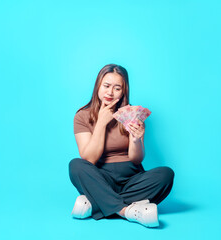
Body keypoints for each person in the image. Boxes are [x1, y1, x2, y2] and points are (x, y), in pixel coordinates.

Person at [68, 64, 174, 227]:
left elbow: (136, 159)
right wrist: (101, 123)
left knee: (166, 175)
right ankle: (127, 211)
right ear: (98, 86)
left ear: (124, 91)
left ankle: (95, 202)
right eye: (106, 86)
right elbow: (89, 158)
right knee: (75, 165)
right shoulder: (82, 116)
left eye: (117, 88)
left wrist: (136, 139)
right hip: (101, 178)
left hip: (132, 178)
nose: (110, 92)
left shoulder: (133, 114)